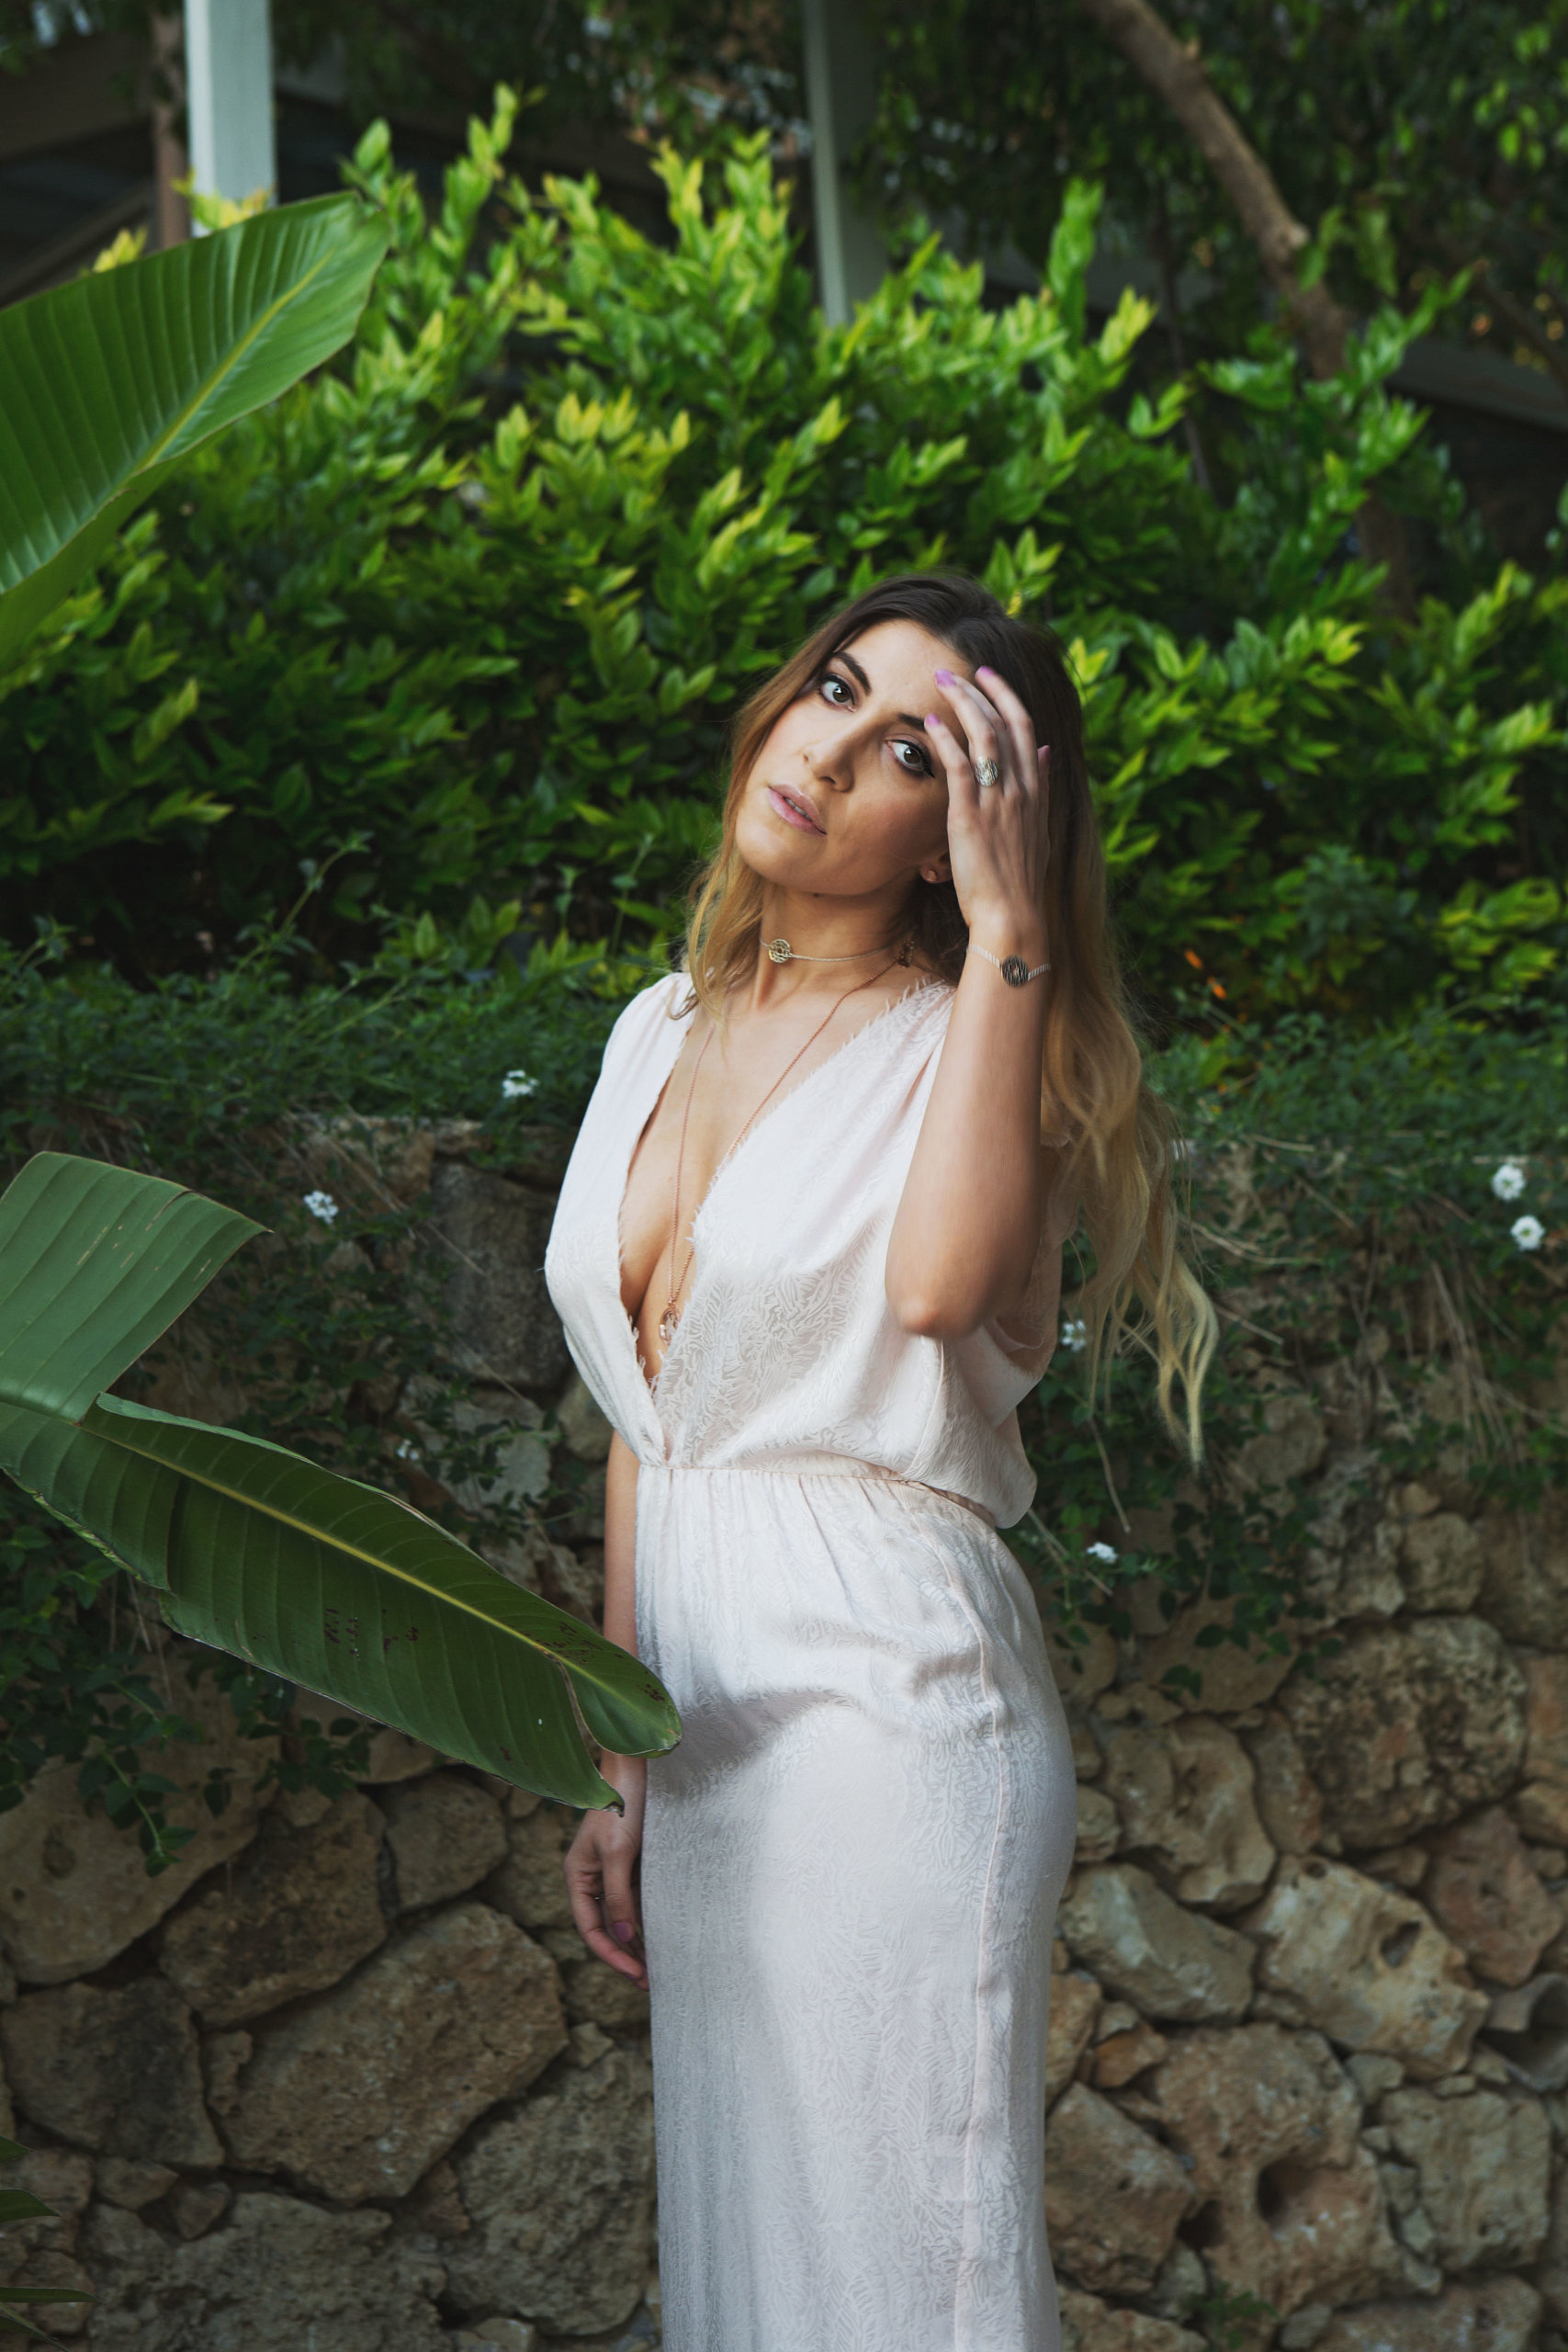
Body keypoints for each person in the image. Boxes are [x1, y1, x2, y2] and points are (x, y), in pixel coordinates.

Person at [545, 571, 1214, 2351]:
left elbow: (932, 1292)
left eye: (914, 753)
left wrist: (1011, 931)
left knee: (907, 2278)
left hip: (886, 1705)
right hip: (701, 1730)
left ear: (959, 834)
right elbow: (648, 1417)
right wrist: (619, 1751)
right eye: (833, 691)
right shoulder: (653, 1029)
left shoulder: (978, 1044)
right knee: (758, 2275)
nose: (828, 754)